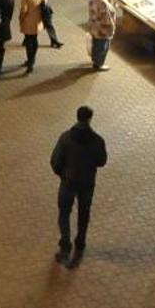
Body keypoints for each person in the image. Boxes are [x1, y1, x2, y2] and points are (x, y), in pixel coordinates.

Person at [51, 104, 107, 268]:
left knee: (64, 213)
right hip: (87, 182)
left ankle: (65, 245)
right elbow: (102, 161)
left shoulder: (65, 138)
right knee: (84, 212)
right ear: (90, 119)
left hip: (68, 182)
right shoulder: (97, 140)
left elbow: (55, 161)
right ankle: (80, 242)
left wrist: (63, 174)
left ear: (77, 117)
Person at [84, 0, 117, 71]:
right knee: (102, 47)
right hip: (102, 30)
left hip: (94, 28)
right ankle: (99, 64)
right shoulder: (104, 4)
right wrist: (112, 28)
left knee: (96, 44)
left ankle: (95, 60)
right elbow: (107, 20)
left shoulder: (93, 0)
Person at [17, 0, 47, 74]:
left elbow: (24, 10)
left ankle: (30, 62)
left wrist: (20, 18)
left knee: (29, 41)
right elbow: (45, 3)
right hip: (38, 20)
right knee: (34, 40)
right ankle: (32, 59)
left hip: (28, 20)